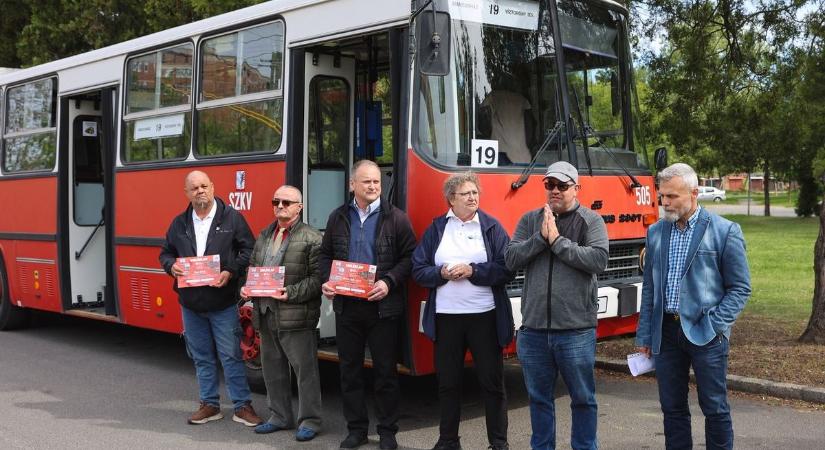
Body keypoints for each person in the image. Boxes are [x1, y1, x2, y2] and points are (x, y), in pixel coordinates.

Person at [635, 163, 751, 450]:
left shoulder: (725, 231)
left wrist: (714, 324)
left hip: (707, 334)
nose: (665, 203)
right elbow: (650, 288)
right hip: (666, 334)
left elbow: (740, 288)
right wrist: (645, 335)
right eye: (662, 196)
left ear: (694, 192)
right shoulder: (656, 232)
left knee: (714, 408)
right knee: (672, 408)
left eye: (672, 196)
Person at [504, 161, 608, 450]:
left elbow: (598, 260)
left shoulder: (591, 221)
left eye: (562, 186)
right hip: (534, 331)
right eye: (550, 185)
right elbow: (510, 259)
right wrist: (540, 238)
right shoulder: (529, 220)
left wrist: (558, 241)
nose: (555, 191)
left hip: (575, 331)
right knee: (538, 400)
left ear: (577, 189)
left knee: (583, 399)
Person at [412, 172, 514, 450]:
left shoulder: (492, 227)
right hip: (446, 318)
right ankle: (448, 440)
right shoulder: (437, 228)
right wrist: (440, 273)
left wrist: (474, 270)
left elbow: (508, 268)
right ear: (451, 199)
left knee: (492, 384)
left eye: (475, 193)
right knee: (448, 383)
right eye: (466, 194)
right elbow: (418, 269)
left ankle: (499, 443)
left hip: (485, 316)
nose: (473, 198)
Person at [319, 160, 416, 450]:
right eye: (366, 182)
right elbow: (325, 256)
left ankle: (387, 432)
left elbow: (410, 257)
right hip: (348, 307)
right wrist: (327, 280)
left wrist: (388, 282)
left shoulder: (396, 218)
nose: (374, 186)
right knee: (349, 372)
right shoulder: (338, 217)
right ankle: (356, 430)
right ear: (352, 185)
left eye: (376, 181)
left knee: (385, 373)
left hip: (382, 307)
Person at [159, 170, 263, 427]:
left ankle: (242, 406)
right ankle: (209, 404)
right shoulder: (179, 223)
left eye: (204, 186)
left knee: (231, 356)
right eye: (194, 188)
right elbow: (165, 253)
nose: (200, 191)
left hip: (223, 302)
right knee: (201, 356)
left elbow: (249, 248)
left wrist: (230, 271)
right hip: (191, 304)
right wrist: (171, 266)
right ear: (187, 193)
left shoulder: (232, 218)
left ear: (213, 187)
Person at [240, 185, 323, 442]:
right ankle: (279, 416)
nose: (280, 206)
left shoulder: (312, 238)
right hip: (265, 311)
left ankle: (310, 420)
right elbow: (253, 267)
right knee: (272, 369)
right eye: (276, 201)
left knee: (304, 371)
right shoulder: (265, 234)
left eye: (287, 202)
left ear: (299, 207)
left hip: (295, 313)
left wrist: (291, 292)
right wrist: (248, 287)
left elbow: (318, 278)